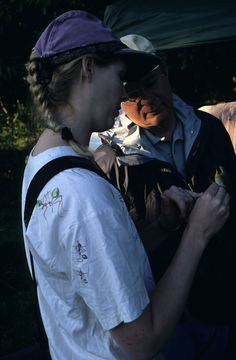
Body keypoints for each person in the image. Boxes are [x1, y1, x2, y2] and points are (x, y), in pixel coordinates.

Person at [22, 14, 230, 360]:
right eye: (120, 78)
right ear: (88, 69)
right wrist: (196, 233)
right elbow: (142, 341)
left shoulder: (41, 163)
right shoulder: (85, 196)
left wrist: (163, 224)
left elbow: (95, 276)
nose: (124, 94)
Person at [95, 34, 236, 359]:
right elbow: (118, 258)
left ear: (166, 71)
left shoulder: (209, 129)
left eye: (152, 82)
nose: (147, 99)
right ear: (118, 97)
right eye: (133, 94)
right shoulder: (109, 162)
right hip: (169, 322)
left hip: (226, 301)